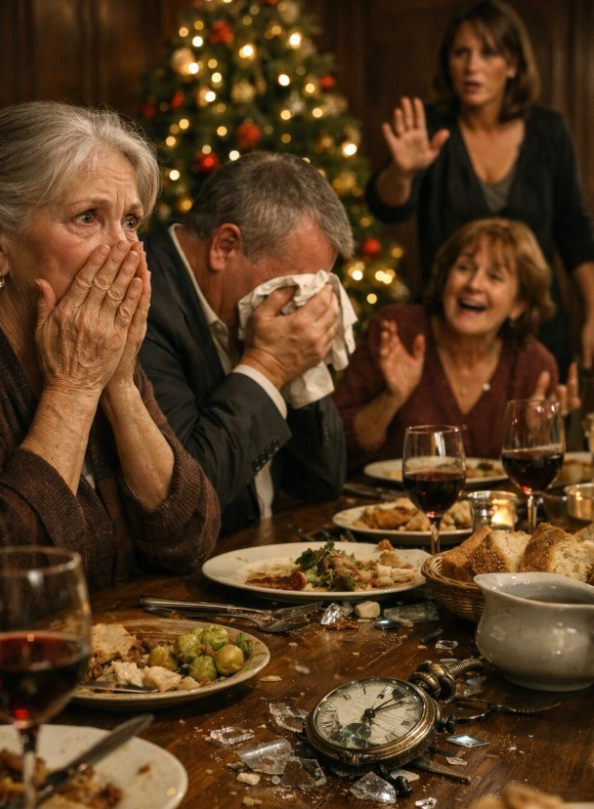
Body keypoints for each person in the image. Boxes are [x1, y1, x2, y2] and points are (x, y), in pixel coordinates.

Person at [0, 101, 220, 593]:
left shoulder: (99, 349)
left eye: (132, 221)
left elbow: (191, 539)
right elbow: (15, 582)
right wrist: (74, 388)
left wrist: (119, 383)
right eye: (87, 217)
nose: (123, 249)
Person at [365, 0, 594, 380]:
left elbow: (576, 232)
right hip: (450, 332)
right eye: (461, 52)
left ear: (514, 64)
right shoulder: (432, 126)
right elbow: (388, 206)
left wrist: (591, 314)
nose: (472, 66)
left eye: (488, 53)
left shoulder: (548, 131)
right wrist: (402, 173)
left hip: (536, 331)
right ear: (448, 62)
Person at [140, 151, 353, 536]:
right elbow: (185, 503)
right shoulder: (141, 306)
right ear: (224, 246)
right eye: (296, 288)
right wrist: (267, 366)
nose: (301, 304)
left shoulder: (258, 312)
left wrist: (301, 366)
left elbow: (321, 483)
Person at [334, 217, 578, 470]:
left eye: (495, 276)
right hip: (384, 507)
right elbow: (336, 447)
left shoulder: (533, 366)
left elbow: (536, 484)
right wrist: (391, 398)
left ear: (519, 304)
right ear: (445, 277)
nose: (473, 285)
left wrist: (537, 439)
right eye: (464, 268)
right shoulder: (396, 330)